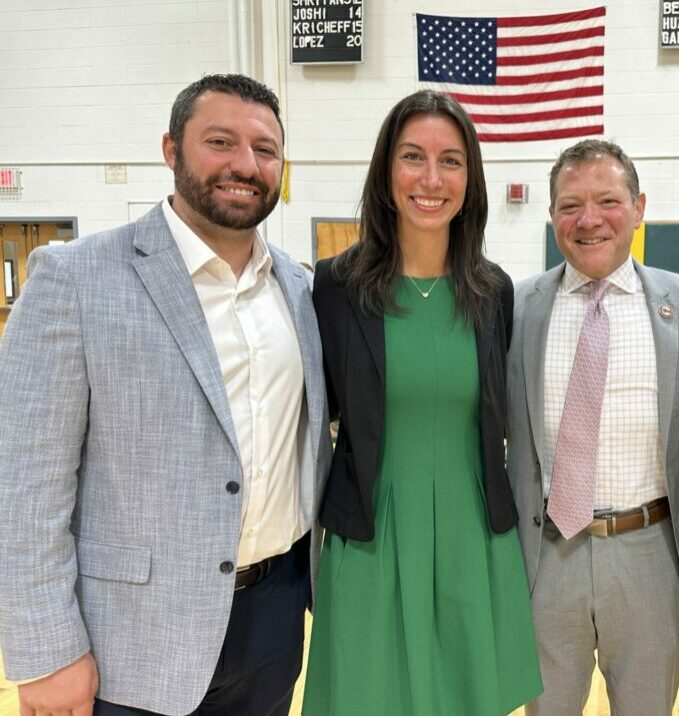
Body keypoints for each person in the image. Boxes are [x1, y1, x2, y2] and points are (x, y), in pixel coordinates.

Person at [0, 74, 331, 715]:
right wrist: (45, 650)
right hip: (127, 641)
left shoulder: (297, 287)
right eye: (220, 141)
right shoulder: (76, 277)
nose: (245, 164)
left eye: (265, 150)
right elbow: (22, 484)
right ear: (171, 150)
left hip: (274, 620)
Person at [302, 90, 542, 716]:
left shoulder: (493, 292)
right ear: (386, 173)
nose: (431, 179)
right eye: (413, 157)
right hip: (372, 535)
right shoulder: (335, 286)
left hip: (471, 534)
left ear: (472, 177)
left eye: (451, 160)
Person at [507, 139, 679, 715]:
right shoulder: (513, 309)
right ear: (552, 216)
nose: (589, 220)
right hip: (547, 556)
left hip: (650, 554)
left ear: (639, 206)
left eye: (607, 200)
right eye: (571, 205)